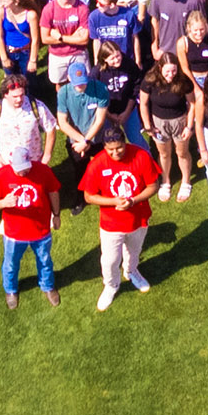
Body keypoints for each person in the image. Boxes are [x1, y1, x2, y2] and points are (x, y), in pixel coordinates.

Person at [79, 127, 161, 310]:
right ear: (104, 147)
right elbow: (88, 196)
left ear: (125, 143)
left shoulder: (140, 156)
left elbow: (153, 186)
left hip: (138, 219)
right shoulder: (97, 164)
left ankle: (131, 271)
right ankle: (111, 285)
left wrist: (133, 200)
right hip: (111, 224)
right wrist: (113, 201)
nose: (115, 153)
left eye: (119, 148)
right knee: (109, 260)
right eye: (111, 149)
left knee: (134, 252)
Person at [0, 147, 63, 308]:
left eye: (25, 168)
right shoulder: (1, 176)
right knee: (10, 264)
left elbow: (53, 192)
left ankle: (48, 287)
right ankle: (10, 290)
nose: (23, 173)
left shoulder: (43, 171)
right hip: (14, 233)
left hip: (41, 230)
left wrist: (56, 215)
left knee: (45, 261)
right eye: (19, 170)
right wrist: (4, 203)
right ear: (11, 164)